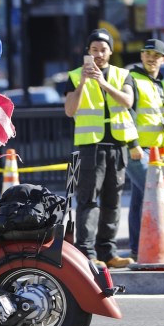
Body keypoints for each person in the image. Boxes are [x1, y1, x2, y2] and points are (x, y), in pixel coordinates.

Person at [64, 28, 137, 269]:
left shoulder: (122, 74)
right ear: (87, 52)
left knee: (113, 200)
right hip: (90, 147)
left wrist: (103, 83)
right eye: (94, 50)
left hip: (117, 146)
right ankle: (87, 252)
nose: (98, 54)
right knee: (88, 200)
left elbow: (127, 101)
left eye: (103, 49)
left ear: (110, 51)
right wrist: (84, 83)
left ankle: (109, 252)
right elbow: (70, 110)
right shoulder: (75, 76)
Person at [125, 39, 164, 261]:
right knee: (157, 196)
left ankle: (139, 250)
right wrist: (132, 145)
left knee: (140, 199)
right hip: (138, 150)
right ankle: (161, 249)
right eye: (147, 53)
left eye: (156, 55)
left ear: (163, 60)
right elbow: (124, 114)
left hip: (159, 153)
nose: (150, 58)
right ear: (141, 56)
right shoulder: (132, 79)